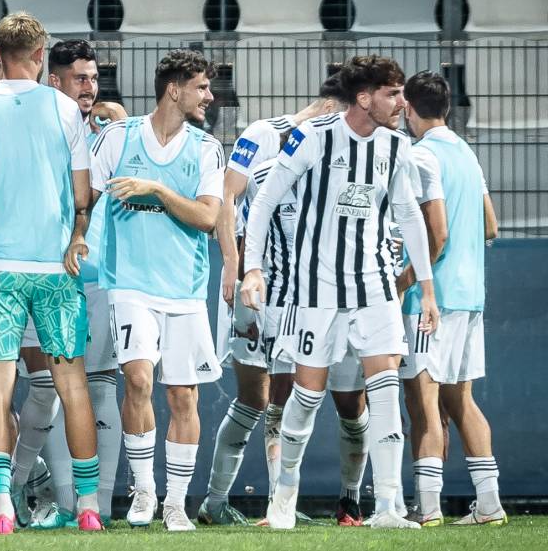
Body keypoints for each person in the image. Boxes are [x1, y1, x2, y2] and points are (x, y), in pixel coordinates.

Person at [241, 55, 440, 530]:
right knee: (307, 396)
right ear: (365, 98)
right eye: (393, 94)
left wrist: (427, 289)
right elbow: (264, 201)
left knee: (385, 392)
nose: (402, 103)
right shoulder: (314, 137)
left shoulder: (396, 146)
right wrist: (252, 269)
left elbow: (409, 216)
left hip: (375, 287)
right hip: (316, 290)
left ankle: (388, 507)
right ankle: (283, 500)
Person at [0, 12, 102, 534]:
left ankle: (0, 509)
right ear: (41, 56)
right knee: (72, 386)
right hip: (55, 267)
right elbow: (82, 195)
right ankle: (88, 507)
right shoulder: (65, 108)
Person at [201, 75, 370, 527]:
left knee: (348, 400)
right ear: (332, 110)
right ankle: (235, 502)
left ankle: (348, 501)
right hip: (265, 294)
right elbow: (228, 199)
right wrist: (234, 268)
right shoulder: (263, 137)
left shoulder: (348, 160)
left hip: (330, 295)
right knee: (257, 398)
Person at [91, 49, 224, 531]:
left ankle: (176, 502)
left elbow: (207, 217)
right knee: (139, 381)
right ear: (174, 89)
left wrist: (159, 190)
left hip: (185, 290)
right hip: (129, 284)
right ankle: (145, 490)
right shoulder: (118, 138)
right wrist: (78, 236)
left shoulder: (206, 148)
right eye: (202, 87)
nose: (209, 96)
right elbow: (83, 196)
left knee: (183, 398)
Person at [398, 71, 506, 527]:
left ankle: (428, 507)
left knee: (422, 402)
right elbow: (491, 226)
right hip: (470, 296)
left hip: (431, 301)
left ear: (408, 108)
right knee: (461, 400)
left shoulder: (420, 155)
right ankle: (490, 504)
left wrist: (402, 283)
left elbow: (436, 235)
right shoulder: (466, 152)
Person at [23, 39, 123, 530]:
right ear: (54, 81)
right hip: (43, 270)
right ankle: (49, 494)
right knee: (48, 389)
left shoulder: (112, 132)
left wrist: (120, 123)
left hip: (99, 274)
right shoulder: (37, 128)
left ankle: (97, 505)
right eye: (80, 78)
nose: (90, 87)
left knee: (98, 387)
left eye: (94, 78)